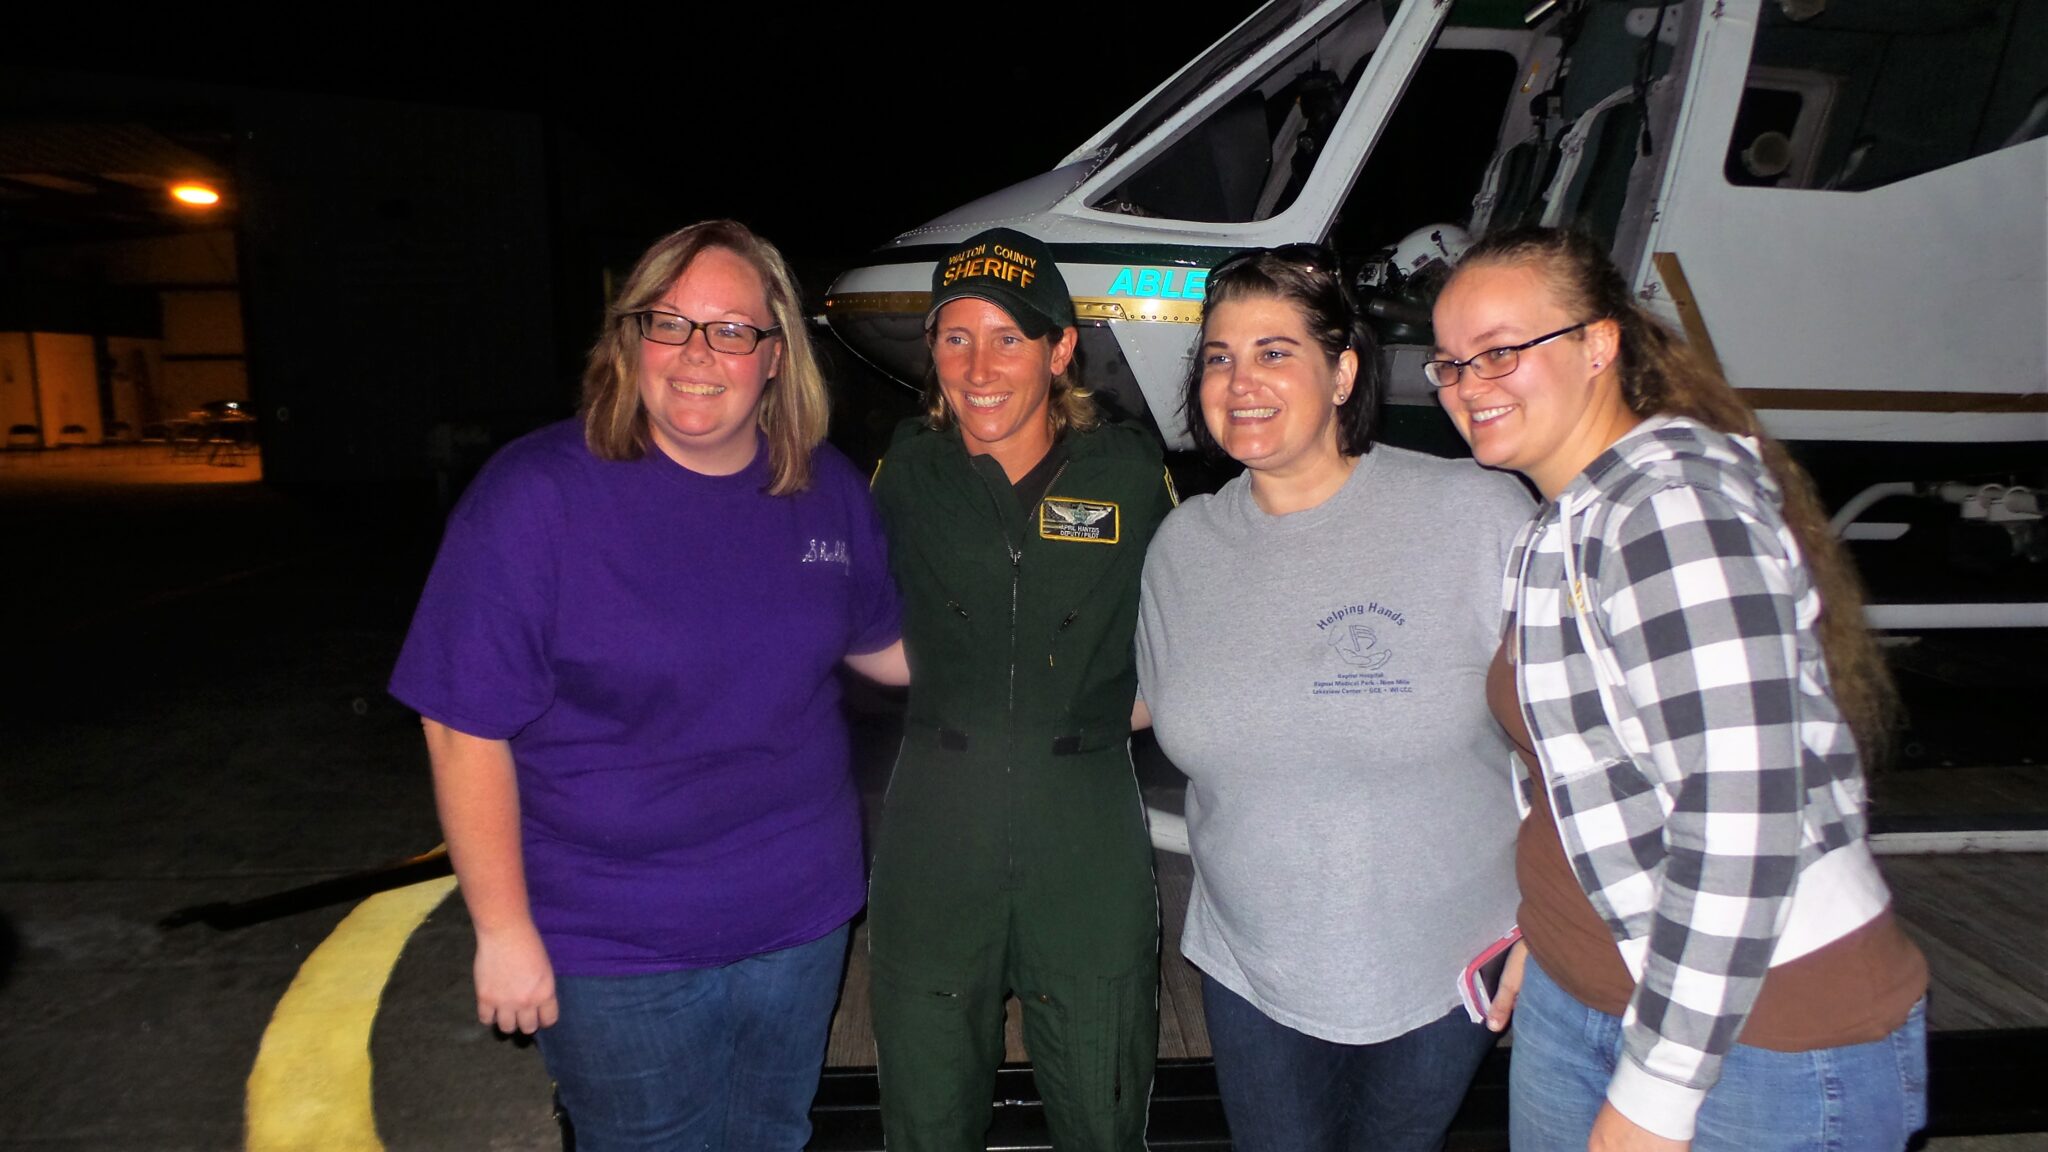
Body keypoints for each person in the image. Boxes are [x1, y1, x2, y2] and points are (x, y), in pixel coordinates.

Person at [388, 219, 906, 1152]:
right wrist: (502, 930)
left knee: (772, 1136)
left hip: (799, 919)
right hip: (614, 941)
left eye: (731, 329)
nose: (697, 354)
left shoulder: (823, 488)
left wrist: (1057, 643)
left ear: (776, 355)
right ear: (630, 340)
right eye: (668, 323)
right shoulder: (535, 496)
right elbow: (463, 728)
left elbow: (890, 651)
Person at [1428, 225, 1929, 1152]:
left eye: (1500, 351)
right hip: (1589, 988)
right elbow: (1588, 776)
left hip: (1757, 1039)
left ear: (1598, 344)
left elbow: (1742, 814)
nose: (1469, 384)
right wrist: (1554, 927)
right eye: (1450, 364)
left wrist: (1654, 1099)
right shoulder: (1561, 524)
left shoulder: (1667, 510)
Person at [1132, 243, 1533, 1152]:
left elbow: (1569, 743)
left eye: (1275, 352)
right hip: (1249, 968)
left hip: (1448, 962)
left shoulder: (1474, 513)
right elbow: (1146, 702)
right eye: (1220, 357)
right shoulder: (1182, 547)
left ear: (1344, 372)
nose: (1241, 381)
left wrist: (1555, 922)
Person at [865, 226, 1175, 1151]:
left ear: (1060, 348)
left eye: (1009, 337)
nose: (980, 367)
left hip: (1083, 826)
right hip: (935, 826)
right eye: (956, 337)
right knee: (925, 1113)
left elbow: (1193, 628)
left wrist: (1129, 712)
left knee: (1102, 1104)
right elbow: (832, 607)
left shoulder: (1130, 476)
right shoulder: (904, 474)